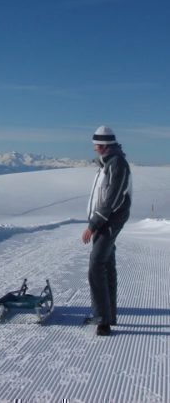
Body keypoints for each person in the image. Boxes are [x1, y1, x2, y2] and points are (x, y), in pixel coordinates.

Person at [81, 125, 132, 336]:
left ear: (105, 145)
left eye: (96, 144)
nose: (94, 148)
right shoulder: (106, 164)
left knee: (96, 264)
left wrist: (93, 225)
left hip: (110, 220)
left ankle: (102, 319)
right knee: (107, 264)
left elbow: (112, 198)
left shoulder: (117, 163)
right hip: (106, 220)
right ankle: (107, 316)